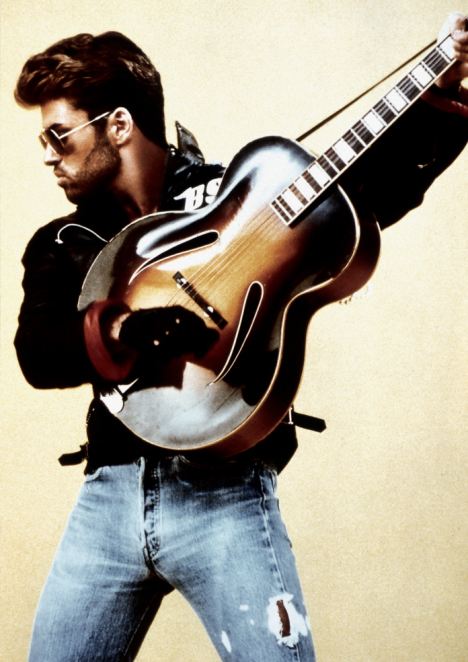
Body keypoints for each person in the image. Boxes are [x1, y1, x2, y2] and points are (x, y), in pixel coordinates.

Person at [14, 14, 467, 662]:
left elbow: (360, 195)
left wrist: (437, 93)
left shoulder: (230, 198)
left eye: (59, 136)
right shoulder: (64, 244)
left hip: (223, 491)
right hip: (108, 495)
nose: (48, 155)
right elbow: (36, 351)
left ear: (118, 125)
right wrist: (121, 327)